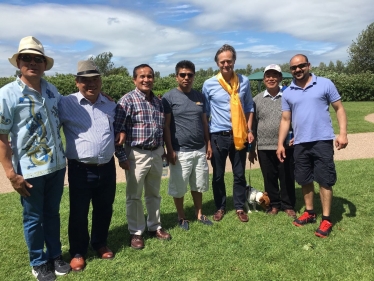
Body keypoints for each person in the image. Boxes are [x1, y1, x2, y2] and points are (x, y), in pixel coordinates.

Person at [0, 36, 70, 281]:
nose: (33, 62)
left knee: (52, 213)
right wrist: (10, 173)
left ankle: (55, 255)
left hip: (57, 165)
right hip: (28, 171)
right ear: (18, 62)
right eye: (27, 58)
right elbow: (1, 136)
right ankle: (38, 261)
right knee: (33, 217)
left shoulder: (52, 89)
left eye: (38, 58)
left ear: (44, 63)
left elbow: (67, 111)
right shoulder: (7, 94)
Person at [276, 54, 348, 238]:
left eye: (301, 66)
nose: (297, 70)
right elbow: (285, 119)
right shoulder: (288, 91)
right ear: (290, 70)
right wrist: (280, 144)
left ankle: (326, 218)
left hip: (322, 140)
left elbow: (339, 108)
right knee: (304, 179)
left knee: (324, 179)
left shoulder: (325, 84)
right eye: (293, 68)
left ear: (308, 65)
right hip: (300, 143)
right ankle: (309, 212)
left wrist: (343, 133)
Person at [58, 60, 117, 271]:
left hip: (108, 167)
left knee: (104, 208)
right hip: (80, 169)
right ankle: (78, 252)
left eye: (95, 80)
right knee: (79, 212)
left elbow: (119, 127)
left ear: (101, 81)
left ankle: (100, 243)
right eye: (85, 81)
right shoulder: (65, 103)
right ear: (77, 82)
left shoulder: (110, 104)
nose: (91, 84)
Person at [114, 64, 171, 249]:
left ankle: (155, 226)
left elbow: (161, 129)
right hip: (136, 154)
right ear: (134, 80)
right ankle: (136, 232)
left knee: (154, 194)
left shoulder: (158, 102)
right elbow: (117, 131)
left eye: (150, 76)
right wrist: (122, 157)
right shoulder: (127, 101)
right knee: (134, 195)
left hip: (156, 152)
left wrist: (162, 152)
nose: (146, 79)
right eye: (142, 76)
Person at [203, 44, 255, 223]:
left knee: (239, 174)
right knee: (218, 175)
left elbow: (249, 106)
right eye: (222, 61)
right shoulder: (209, 84)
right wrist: (207, 140)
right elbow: (206, 112)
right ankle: (220, 206)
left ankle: (239, 207)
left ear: (234, 61)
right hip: (218, 135)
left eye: (229, 61)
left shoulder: (244, 81)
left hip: (239, 134)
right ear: (217, 63)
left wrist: (249, 129)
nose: (226, 64)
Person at [162, 60, 213, 230]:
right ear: (176, 77)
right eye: (182, 75)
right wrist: (169, 149)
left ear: (194, 76)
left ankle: (199, 214)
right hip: (179, 150)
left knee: (199, 184)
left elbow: (204, 123)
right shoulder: (168, 98)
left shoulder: (200, 96)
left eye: (189, 75)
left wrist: (208, 144)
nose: (186, 78)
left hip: (199, 149)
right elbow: (166, 126)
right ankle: (181, 216)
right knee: (179, 186)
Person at [250, 64, 296, 218]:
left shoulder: (289, 95)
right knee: (269, 177)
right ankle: (274, 204)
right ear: (264, 79)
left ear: (280, 78)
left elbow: (295, 119)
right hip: (264, 145)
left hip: (285, 146)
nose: (271, 78)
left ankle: (288, 205)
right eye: (268, 76)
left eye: (274, 75)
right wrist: (252, 148)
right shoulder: (256, 100)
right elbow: (253, 125)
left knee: (287, 176)